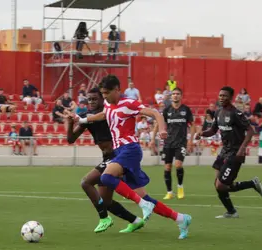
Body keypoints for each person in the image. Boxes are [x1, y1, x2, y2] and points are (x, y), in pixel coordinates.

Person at [76, 75, 192, 239]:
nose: (105, 97)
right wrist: (83, 119)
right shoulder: (108, 104)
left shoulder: (129, 103)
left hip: (130, 149)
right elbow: (104, 114)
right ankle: (181, 219)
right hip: (120, 152)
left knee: (107, 177)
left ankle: (142, 204)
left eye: (107, 93)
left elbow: (155, 113)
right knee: (144, 196)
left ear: (117, 89)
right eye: (103, 93)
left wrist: (162, 130)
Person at [67, 88, 145, 233]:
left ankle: (104, 218)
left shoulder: (109, 113)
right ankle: (135, 221)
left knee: (86, 182)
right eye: (89, 99)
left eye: (95, 99)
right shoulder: (87, 118)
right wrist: (71, 122)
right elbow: (70, 139)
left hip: (117, 156)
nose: (91, 102)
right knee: (106, 201)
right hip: (107, 158)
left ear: (103, 99)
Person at [196, 86, 262, 218]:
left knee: (221, 185)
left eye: (225, 96)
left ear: (231, 98)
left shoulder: (236, 113)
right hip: (224, 151)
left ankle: (235, 207)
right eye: (220, 95)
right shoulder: (218, 112)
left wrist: (242, 149)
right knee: (219, 184)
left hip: (235, 153)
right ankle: (233, 209)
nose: (221, 98)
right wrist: (202, 134)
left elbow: (250, 130)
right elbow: (213, 130)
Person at [151, 88, 195, 200]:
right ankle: (169, 192)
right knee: (167, 167)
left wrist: (190, 140)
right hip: (168, 143)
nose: (175, 96)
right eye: (173, 94)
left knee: (178, 165)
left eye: (178, 94)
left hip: (181, 143)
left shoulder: (186, 110)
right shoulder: (167, 110)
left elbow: (193, 125)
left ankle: (180, 188)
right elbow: (158, 124)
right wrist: (152, 139)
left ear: (181, 96)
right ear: (171, 96)